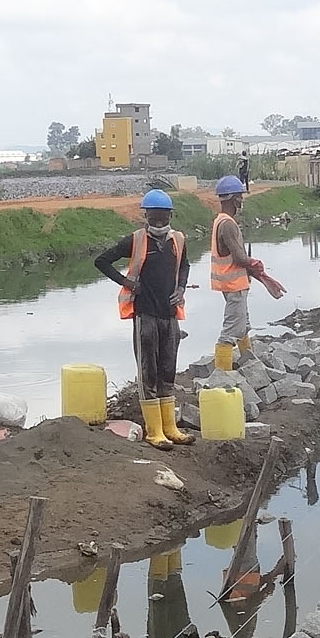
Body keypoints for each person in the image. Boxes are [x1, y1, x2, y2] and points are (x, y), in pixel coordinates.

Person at [96, 188, 192, 450]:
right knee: (148, 370)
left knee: (168, 368)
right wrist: (126, 282)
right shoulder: (136, 240)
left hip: (169, 315)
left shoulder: (178, 240)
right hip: (145, 314)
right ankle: (154, 431)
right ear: (146, 216)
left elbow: (184, 266)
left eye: (163, 217)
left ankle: (169, 427)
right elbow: (102, 261)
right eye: (154, 216)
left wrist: (181, 288)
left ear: (170, 215)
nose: (159, 222)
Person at [208, 173, 285, 372]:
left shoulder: (220, 221)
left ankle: (249, 363)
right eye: (240, 196)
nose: (242, 200)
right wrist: (256, 265)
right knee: (231, 331)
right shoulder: (228, 225)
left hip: (232, 285)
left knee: (243, 325)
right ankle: (222, 376)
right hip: (234, 286)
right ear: (234, 198)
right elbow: (240, 259)